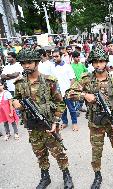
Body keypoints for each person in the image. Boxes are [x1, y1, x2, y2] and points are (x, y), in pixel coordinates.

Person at [65, 46, 113, 189]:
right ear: (92, 63)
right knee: (96, 151)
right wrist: (84, 95)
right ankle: (97, 176)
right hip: (95, 123)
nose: (99, 64)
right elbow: (69, 93)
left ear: (106, 61)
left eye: (101, 61)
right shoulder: (86, 79)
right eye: (95, 62)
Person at [13, 48, 74, 189]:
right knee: (39, 153)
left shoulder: (49, 81)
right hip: (32, 127)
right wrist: (15, 103)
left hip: (49, 126)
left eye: (29, 62)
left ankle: (66, 174)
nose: (26, 65)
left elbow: (60, 103)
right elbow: (16, 99)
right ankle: (45, 176)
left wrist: (56, 122)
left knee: (58, 152)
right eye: (23, 63)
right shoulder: (19, 84)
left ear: (36, 62)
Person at [50, 49, 77, 131]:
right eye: (53, 56)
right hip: (57, 93)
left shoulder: (67, 66)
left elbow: (72, 79)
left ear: (61, 56)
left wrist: (70, 90)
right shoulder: (52, 67)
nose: (54, 58)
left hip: (67, 92)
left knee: (71, 109)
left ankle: (74, 123)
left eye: (56, 56)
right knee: (62, 109)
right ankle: (65, 122)